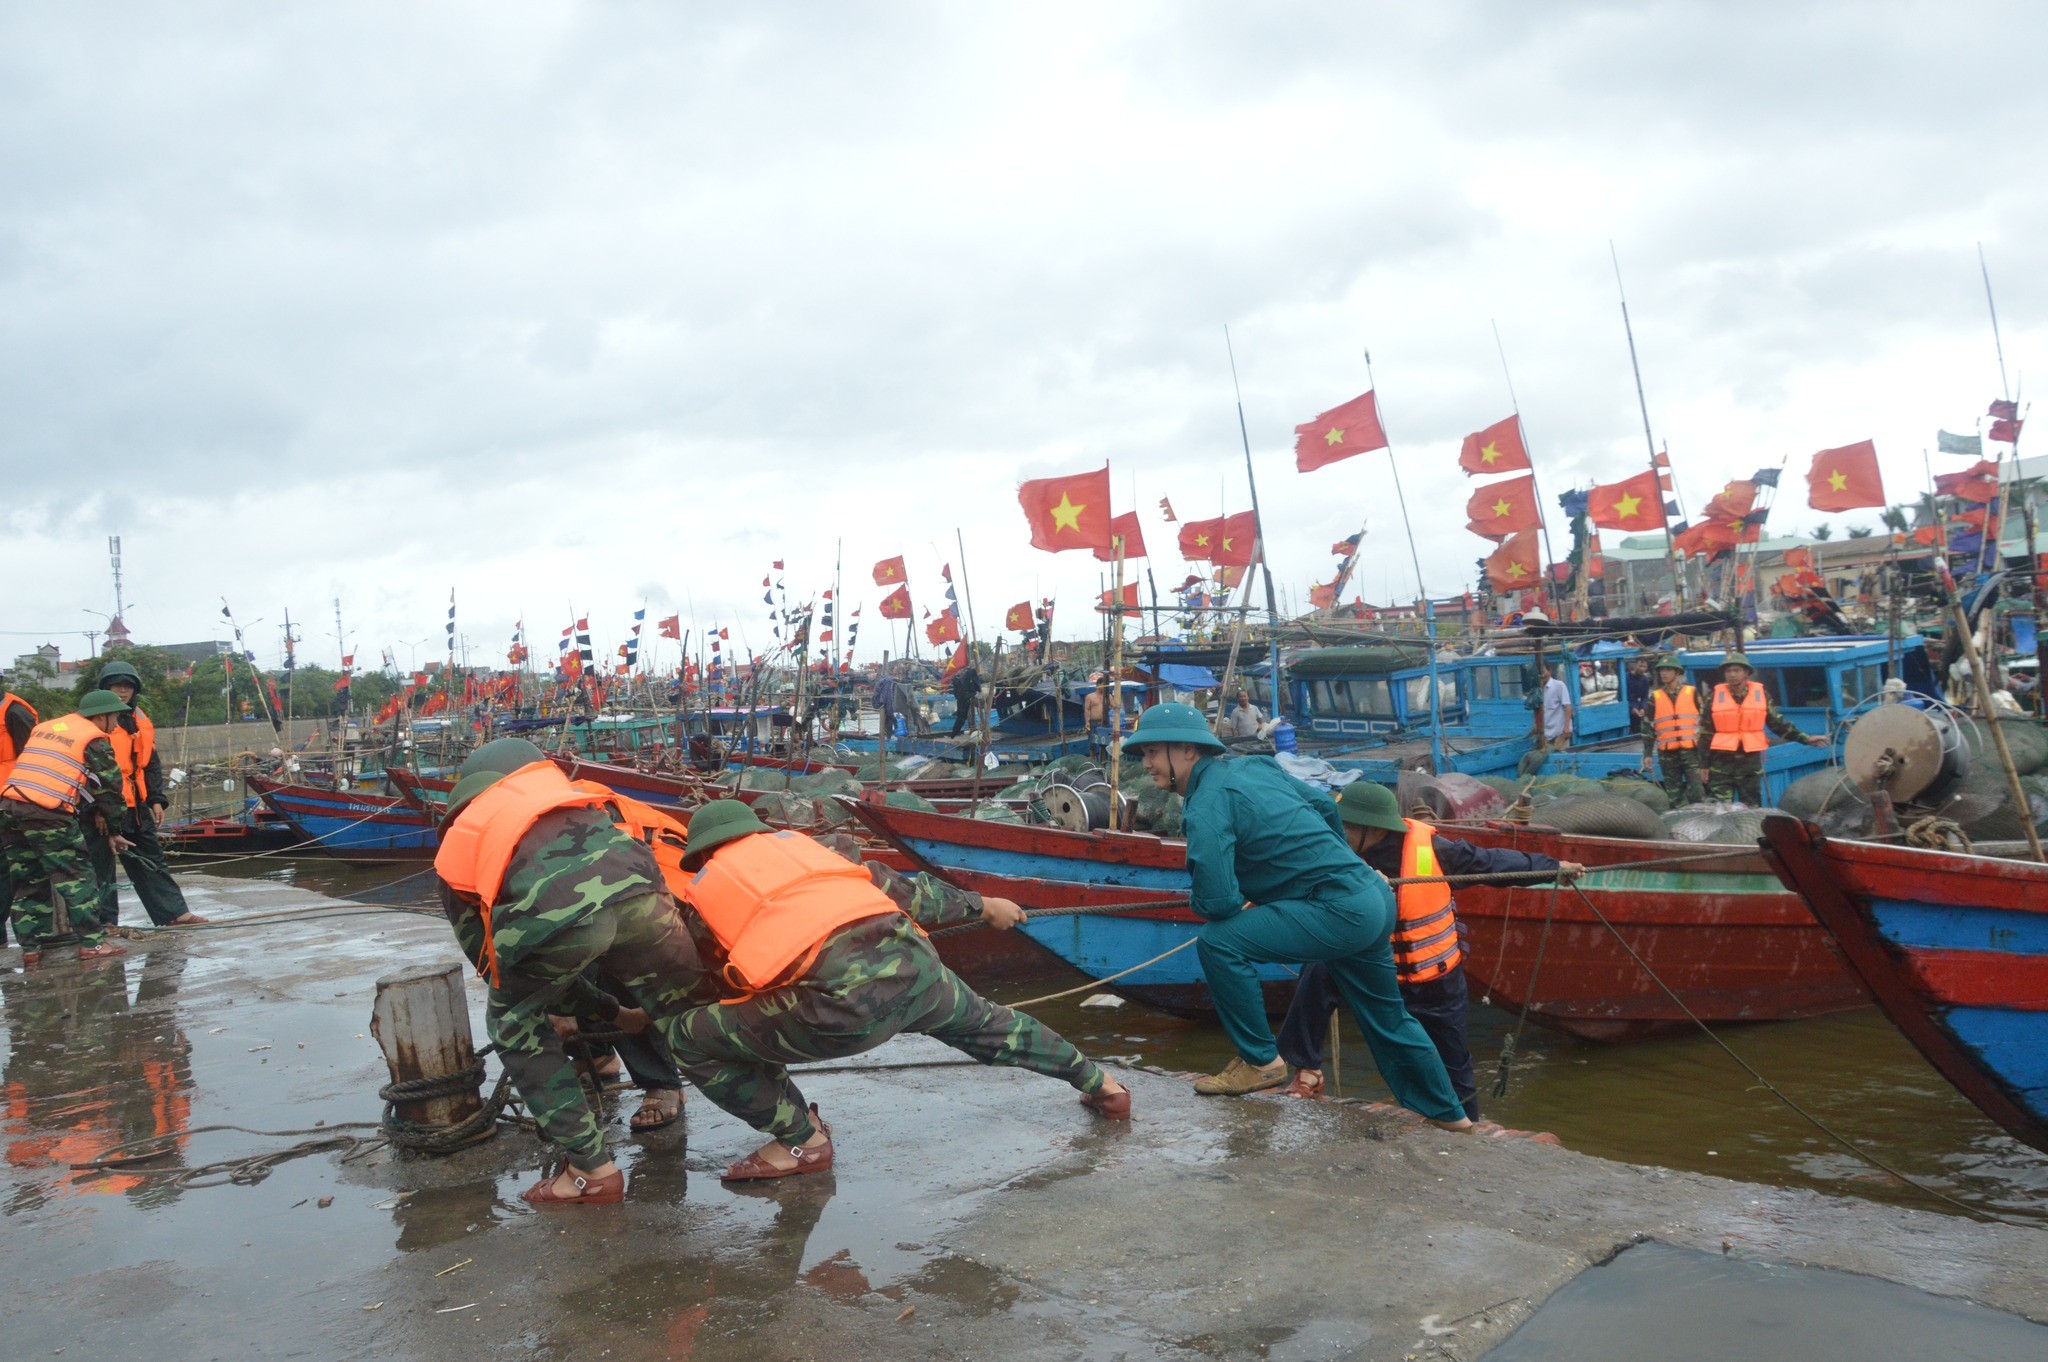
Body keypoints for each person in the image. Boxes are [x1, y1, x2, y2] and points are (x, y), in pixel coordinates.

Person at [663, 801, 1129, 1182]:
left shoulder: (709, 893)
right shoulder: (820, 852)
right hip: (919, 974)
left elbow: (713, 981)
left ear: (703, 855)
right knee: (995, 1026)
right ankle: (1104, 1088)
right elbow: (912, 894)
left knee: (688, 1037)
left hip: (836, 1012)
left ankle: (802, 1141)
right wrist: (984, 906)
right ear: (758, 832)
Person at [1123, 701, 1470, 1129]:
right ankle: (1452, 1118)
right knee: (1389, 1021)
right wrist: (1342, 866)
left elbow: (1218, 905)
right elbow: (1326, 808)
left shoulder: (1205, 805)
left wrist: (1250, 897)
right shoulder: (1257, 768)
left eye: (1154, 752)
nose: (1147, 764)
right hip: (1373, 900)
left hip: (1337, 912)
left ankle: (1260, 1060)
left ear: (1187, 752)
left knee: (1218, 941)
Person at [432, 737, 710, 1205]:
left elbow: (497, 970)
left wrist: (554, 1008)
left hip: (568, 925)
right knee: (689, 1013)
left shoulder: (464, 840)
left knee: (513, 1022)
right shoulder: (588, 800)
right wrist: (613, 1012)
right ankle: (800, 1134)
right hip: (655, 899)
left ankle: (590, 1169)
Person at [1273, 782, 1581, 1120]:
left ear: (1371, 829)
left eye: (1343, 825)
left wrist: (1552, 868)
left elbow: (1493, 864)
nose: (1336, 831)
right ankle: (1306, 1070)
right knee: (1320, 965)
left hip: (1435, 979)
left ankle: (1465, 1123)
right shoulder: (1335, 851)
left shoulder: (1434, 851)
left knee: (1450, 1059)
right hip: (1376, 970)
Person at [0, 690, 134, 966]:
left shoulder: (47, 728)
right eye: (115, 717)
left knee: (28, 880)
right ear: (100, 716)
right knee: (77, 875)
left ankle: (31, 949)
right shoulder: (93, 738)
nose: (117, 724)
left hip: (9, 807)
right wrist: (115, 828)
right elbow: (109, 789)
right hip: (46, 812)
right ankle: (93, 944)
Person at [83, 661, 207, 928]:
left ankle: (174, 913)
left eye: (127, 686)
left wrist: (156, 799)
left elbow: (150, 762)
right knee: (100, 867)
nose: (122, 691)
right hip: (104, 806)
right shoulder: (94, 719)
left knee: (152, 861)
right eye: (116, 686)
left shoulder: (138, 718)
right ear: (105, 687)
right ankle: (104, 924)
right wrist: (97, 810)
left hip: (135, 805)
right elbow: (85, 770)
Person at [1698, 652, 1828, 805]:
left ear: (1746, 672)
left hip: (1749, 766)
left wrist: (1806, 739)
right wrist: (1703, 765)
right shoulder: (1713, 697)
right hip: (1720, 765)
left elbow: (1777, 724)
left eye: (1736, 670)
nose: (1732, 675)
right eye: (1728, 671)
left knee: (1752, 808)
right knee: (1720, 810)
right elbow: (1705, 733)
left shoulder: (1761, 695)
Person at [1638, 655, 1707, 806]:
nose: (1664, 673)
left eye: (1668, 670)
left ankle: (1700, 824)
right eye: (1662, 670)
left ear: (1677, 672)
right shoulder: (1655, 697)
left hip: (1691, 753)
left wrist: (1705, 751)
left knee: (1697, 792)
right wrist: (1648, 753)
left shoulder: (1692, 692)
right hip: (1668, 754)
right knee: (1674, 796)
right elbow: (1647, 726)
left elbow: (1704, 721)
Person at [0, 689, 38, 948]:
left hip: (13, 799)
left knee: (13, 869)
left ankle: (31, 936)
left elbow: (33, 755)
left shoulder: (15, 712)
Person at [1517, 658, 1571, 776]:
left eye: (1543, 672)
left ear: (1549, 671)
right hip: (1544, 736)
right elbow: (1538, 712)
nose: (1541, 675)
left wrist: (1567, 727)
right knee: (1539, 761)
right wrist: (1535, 727)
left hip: (1558, 735)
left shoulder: (1559, 686)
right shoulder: (1537, 690)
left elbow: (1567, 707)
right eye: (1538, 673)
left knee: (1559, 764)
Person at [948, 661, 983, 736]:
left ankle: (954, 733)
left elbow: (956, 689)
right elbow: (976, 682)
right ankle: (954, 733)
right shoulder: (971, 672)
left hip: (961, 698)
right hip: (965, 697)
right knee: (962, 716)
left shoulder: (960, 677)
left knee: (961, 716)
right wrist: (979, 690)